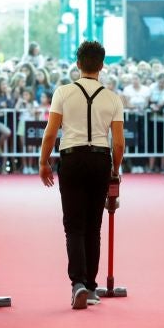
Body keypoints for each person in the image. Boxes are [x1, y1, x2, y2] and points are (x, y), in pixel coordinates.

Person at [39, 41, 125, 310]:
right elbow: (119, 143)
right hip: (100, 160)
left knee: (73, 226)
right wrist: (115, 170)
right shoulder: (113, 98)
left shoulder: (63, 93)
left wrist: (44, 162)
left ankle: (77, 284)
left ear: (77, 64)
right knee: (93, 227)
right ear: (102, 65)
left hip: (72, 159)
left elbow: (51, 133)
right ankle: (90, 285)